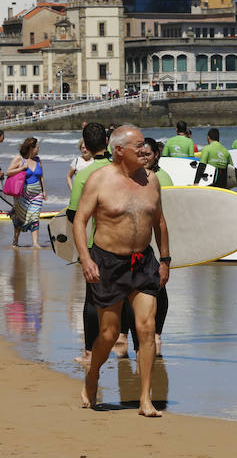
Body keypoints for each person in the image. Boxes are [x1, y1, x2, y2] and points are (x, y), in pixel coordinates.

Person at [74, 125, 170, 417]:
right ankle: (93, 375)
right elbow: (80, 221)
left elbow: (160, 223)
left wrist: (165, 259)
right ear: (119, 150)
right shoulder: (99, 180)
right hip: (108, 263)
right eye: (138, 145)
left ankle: (145, 400)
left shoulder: (151, 180)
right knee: (109, 333)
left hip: (143, 263)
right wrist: (85, 259)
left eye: (145, 146)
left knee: (147, 328)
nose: (144, 150)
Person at [119, 136, 172, 358]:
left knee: (159, 289)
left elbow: (167, 217)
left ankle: (156, 334)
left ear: (156, 155)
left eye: (148, 154)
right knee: (130, 295)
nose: (144, 158)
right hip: (134, 246)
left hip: (155, 246)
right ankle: (130, 337)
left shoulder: (162, 178)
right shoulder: (131, 178)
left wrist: (166, 256)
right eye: (141, 154)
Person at [68, 123, 112, 364]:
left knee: (93, 299)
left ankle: (89, 352)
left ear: (86, 145)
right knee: (124, 295)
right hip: (127, 244)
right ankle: (123, 340)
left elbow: (74, 215)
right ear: (107, 142)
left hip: (99, 244)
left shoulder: (84, 174)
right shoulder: (121, 169)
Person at [6, 137, 45, 247]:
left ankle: (35, 243)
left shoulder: (38, 160)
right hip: (22, 194)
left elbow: (41, 176)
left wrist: (44, 191)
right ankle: (16, 241)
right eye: (37, 147)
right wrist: (22, 167)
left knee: (35, 216)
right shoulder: (19, 159)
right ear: (31, 148)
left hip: (37, 194)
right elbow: (8, 172)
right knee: (19, 217)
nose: (39, 149)